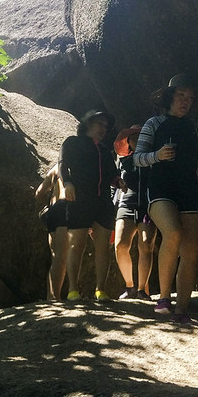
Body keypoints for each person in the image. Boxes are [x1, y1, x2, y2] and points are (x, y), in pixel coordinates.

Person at [133, 75, 198, 323]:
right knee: (173, 233)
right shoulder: (154, 123)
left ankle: (182, 310)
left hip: (189, 189)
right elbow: (137, 158)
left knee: (192, 249)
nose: (186, 101)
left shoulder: (192, 127)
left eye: (190, 97)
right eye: (181, 95)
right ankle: (164, 297)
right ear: (169, 97)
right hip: (161, 187)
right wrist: (157, 155)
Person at [60, 109, 121, 300]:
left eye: (105, 125)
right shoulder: (73, 142)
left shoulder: (104, 150)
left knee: (103, 247)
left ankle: (100, 289)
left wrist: (119, 181)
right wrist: (67, 183)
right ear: (87, 123)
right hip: (80, 199)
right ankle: (72, 290)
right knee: (77, 243)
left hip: (103, 201)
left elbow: (112, 174)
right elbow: (63, 164)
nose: (103, 128)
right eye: (99, 124)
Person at [113, 125, 157, 300]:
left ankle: (141, 290)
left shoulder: (153, 159)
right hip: (126, 203)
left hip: (148, 205)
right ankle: (129, 286)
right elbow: (113, 182)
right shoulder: (122, 161)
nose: (137, 140)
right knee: (120, 245)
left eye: (141, 136)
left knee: (146, 246)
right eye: (133, 137)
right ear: (128, 142)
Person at [35, 162, 69, 300]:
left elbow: (38, 193)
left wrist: (48, 204)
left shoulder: (56, 167)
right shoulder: (75, 164)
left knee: (56, 257)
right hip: (66, 209)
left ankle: (51, 296)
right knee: (61, 257)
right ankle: (55, 298)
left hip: (53, 212)